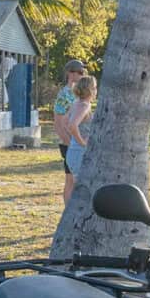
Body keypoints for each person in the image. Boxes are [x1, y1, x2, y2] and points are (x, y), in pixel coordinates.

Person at [52, 58, 88, 204]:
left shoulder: (79, 93)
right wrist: (70, 143)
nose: (81, 74)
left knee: (75, 179)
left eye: (82, 72)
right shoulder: (64, 95)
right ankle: (68, 211)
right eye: (79, 72)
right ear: (70, 73)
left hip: (77, 142)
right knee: (70, 179)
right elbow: (58, 124)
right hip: (70, 144)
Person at [63, 75, 95, 179]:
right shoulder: (84, 105)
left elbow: (65, 121)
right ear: (89, 89)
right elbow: (72, 125)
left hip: (73, 152)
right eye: (94, 87)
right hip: (80, 153)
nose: (96, 90)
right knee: (83, 190)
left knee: (79, 189)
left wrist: (73, 140)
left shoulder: (76, 103)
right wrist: (82, 142)